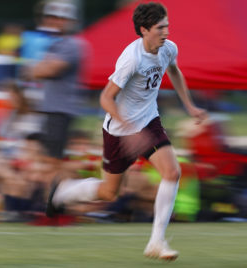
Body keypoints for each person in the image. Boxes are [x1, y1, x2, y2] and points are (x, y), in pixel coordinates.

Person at [46, 2, 206, 261]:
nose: (165, 32)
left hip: (149, 123)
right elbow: (106, 99)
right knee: (109, 193)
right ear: (144, 30)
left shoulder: (168, 49)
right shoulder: (131, 58)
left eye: (167, 26)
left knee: (172, 172)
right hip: (119, 132)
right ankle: (64, 191)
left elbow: (174, 72)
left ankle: (157, 241)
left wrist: (190, 106)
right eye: (159, 28)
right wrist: (130, 130)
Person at [28, 1, 83, 177]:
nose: (55, 22)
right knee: (46, 158)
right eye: (52, 18)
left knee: (53, 161)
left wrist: (34, 68)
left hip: (60, 111)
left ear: (71, 21)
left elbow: (46, 70)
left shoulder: (70, 45)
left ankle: (60, 198)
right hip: (51, 109)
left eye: (60, 18)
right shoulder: (55, 44)